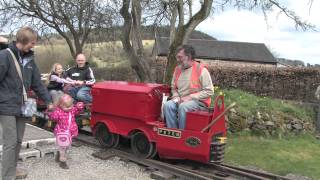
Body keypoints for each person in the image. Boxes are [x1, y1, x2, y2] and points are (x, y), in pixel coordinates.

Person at [0, 27, 54, 180]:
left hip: (25, 106)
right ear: (23, 41)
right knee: (10, 142)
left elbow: (37, 83)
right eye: (32, 42)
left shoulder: (30, 60)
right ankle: (7, 176)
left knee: (18, 141)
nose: (33, 45)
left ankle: (12, 167)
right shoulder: (4, 56)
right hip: (7, 106)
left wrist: (48, 101)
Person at [163, 45, 214, 129]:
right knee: (168, 105)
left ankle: (183, 135)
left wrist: (190, 97)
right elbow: (174, 88)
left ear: (189, 57)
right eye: (177, 57)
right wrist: (176, 96)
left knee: (183, 106)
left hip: (199, 102)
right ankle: (174, 133)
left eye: (180, 57)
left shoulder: (201, 69)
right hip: (181, 100)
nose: (177, 60)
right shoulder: (177, 69)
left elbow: (209, 91)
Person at [47, 94, 84, 169]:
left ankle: (59, 154)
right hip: (62, 132)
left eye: (71, 105)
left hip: (70, 132)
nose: (69, 108)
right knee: (63, 147)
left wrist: (80, 107)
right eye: (67, 107)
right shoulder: (58, 112)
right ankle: (62, 161)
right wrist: (50, 111)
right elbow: (53, 117)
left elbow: (77, 111)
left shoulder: (72, 110)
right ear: (60, 105)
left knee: (66, 146)